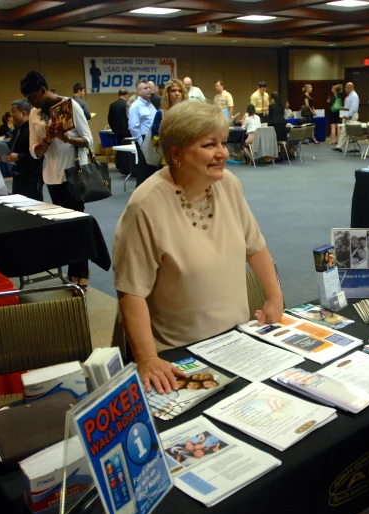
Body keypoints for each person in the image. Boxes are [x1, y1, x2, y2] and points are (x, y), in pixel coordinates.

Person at [113, 101, 283, 394]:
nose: (223, 153)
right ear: (176, 153)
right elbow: (131, 291)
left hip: (237, 341)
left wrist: (275, 296)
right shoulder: (146, 205)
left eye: (222, 142)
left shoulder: (228, 184)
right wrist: (149, 359)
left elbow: (254, 248)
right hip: (180, 353)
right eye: (209, 144)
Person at [21, 71, 94, 289]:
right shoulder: (35, 114)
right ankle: (74, 268)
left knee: (77, 224)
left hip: (73, 173)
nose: (31, 103)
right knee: (63, 227)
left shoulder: (70, 105)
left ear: (43, 90)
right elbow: (34, 151)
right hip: (51, 176)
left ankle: (81, 270)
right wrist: (45, 143)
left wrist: (67, 139)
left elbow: (88, 140)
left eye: (33, 97)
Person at [0, 100, 43, 201]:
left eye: (14, 111)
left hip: (31, 175)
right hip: (17, 174)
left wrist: (19, 156)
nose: (12, 115)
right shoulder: (18, 129)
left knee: (33, 206)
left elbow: (38, 154)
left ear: (23, 113)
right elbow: (12, 147)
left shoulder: (33, 129)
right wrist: (2, 155)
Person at [149, 78, 189, 166]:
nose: (177, 94)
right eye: (173, 91)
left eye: (180, 91)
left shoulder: (189, 114)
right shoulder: (161, 114)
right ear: (167, 93)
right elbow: (154, 137)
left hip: (187, 157)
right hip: (167, 159)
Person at [128, 80, 159, 186]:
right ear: (138, 92)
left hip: (153, 139)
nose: (148, 90)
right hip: (143, 139)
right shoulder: (135, 106)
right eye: (145, 88)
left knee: (153, 170)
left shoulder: (151, 105)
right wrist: (141, 144)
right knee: (144, 171)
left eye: (149, 88)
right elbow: (133, 127)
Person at [109, 88, 132, 174]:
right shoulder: (128, 105)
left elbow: (109, 119)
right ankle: (126, 165)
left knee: (119, 147)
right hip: (127, 131)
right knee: (127, 149)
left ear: (118, 95)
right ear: (126, 95)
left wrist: (113, 128)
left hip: (117, 131)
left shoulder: (113, 105)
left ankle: (118, 163)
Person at [334, 82, 360, 152]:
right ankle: (339, 146)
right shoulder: (349, 96)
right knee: (344, 131)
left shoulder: (354, 96)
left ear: (349, 88)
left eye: (346, 88)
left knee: (352, 132)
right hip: (347, 115)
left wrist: (348, 115)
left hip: (351, 116)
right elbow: (347, 107)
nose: (345, 89)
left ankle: (355, 147)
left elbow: (353, 108)